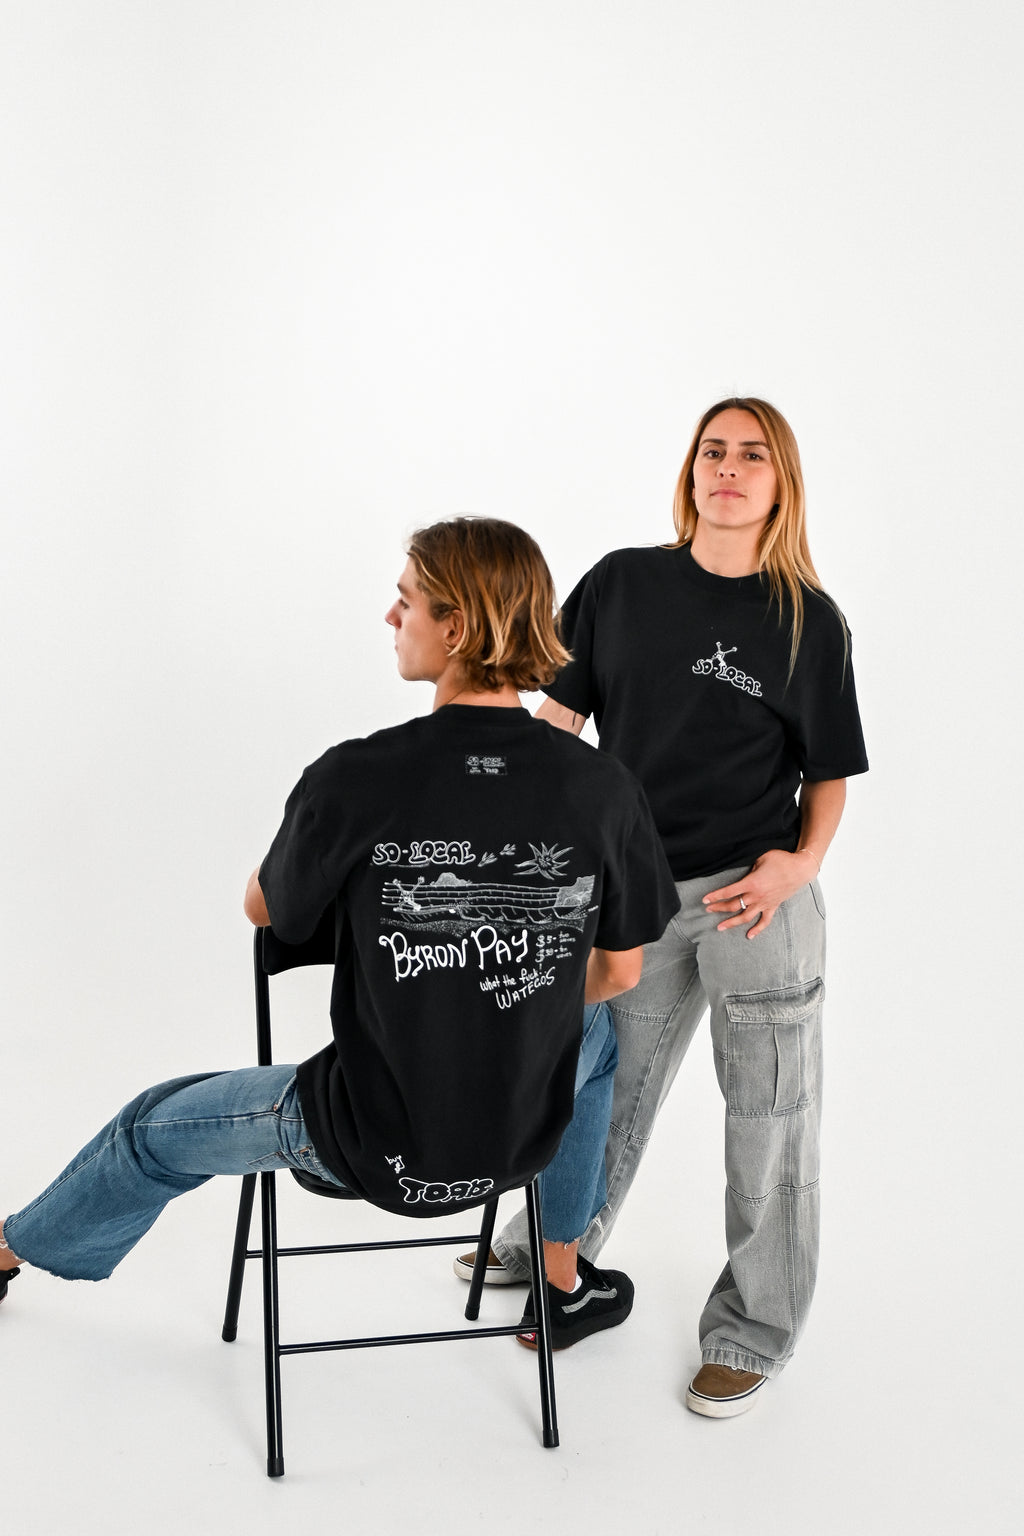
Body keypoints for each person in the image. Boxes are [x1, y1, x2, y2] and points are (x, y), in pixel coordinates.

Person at [0, 517, 679, 1355]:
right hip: (515, 1148)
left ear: (457, 628)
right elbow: (616, 972)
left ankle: (8, 1247)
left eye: (406, 604)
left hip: (362, 1145)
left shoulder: (358, 775)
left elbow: (264, 910)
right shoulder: (603, 787)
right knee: (602, 1039)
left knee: (148, 1129)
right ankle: (563, 1279)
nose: (391, 619)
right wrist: (509, 1002)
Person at [458, 400, 869, 1415]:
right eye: (711, 452)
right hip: (629, 894)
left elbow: (828, 777)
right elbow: (560, 715)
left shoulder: (806, 619)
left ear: (781, 483)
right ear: (690, 472)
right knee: (601, 1080)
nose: (726, 469)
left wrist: (796, 868)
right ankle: (557, 1252)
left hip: (753, 904)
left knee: (767, 1118)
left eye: (751, 457)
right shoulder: (622, 584)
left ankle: (753, 1329)